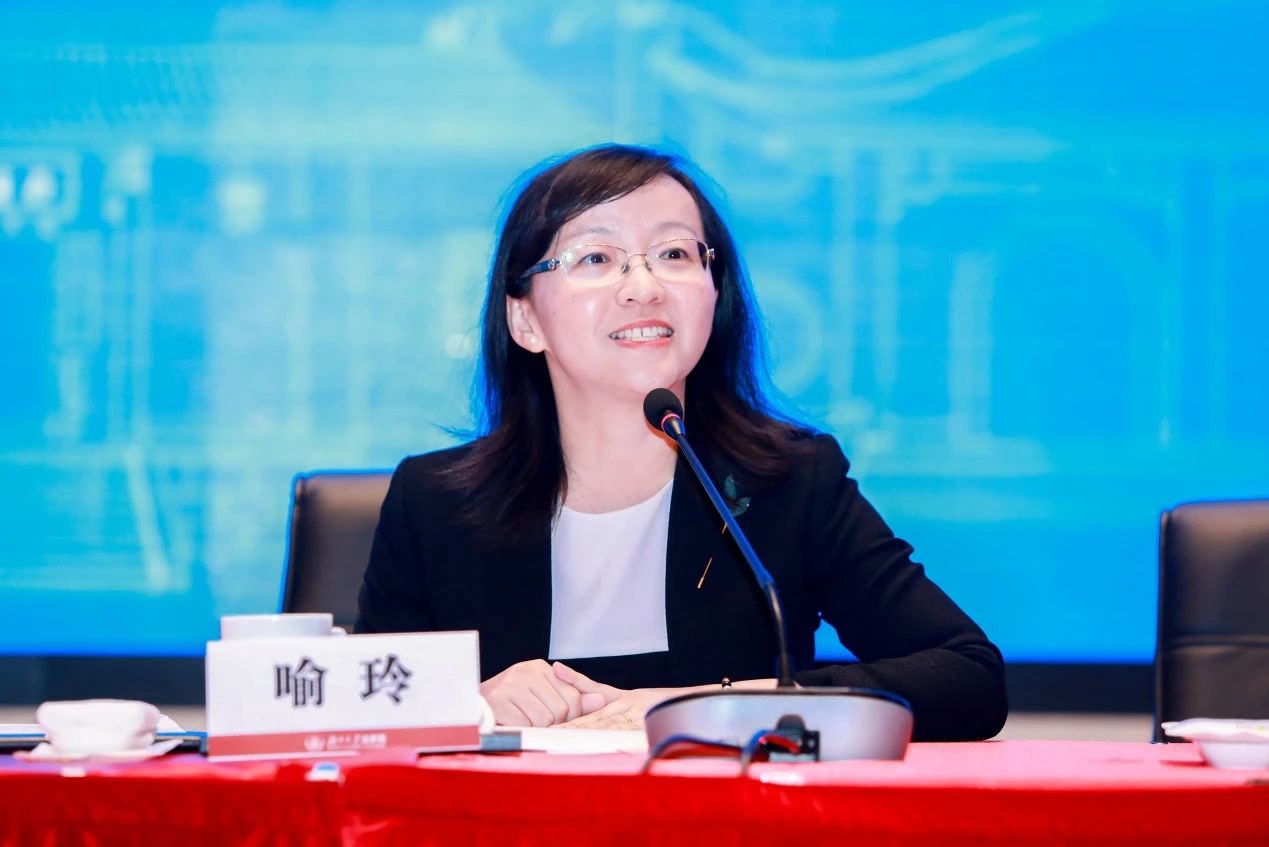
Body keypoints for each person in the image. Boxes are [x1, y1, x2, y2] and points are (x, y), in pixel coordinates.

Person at [356, 144, 1007, 742]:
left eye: (673, 254)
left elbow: (968, 678)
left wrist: (720, 706)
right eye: (596, 258)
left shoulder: (788, 485)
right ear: (525, 318)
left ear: (714, 293)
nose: (644, 287)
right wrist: (465, 705)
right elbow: (349, 725)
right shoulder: (434, 504)